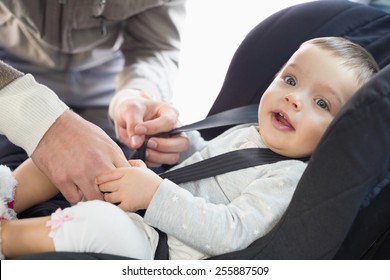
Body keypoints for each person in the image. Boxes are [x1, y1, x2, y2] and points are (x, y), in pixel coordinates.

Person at [0, 37, 379, 260]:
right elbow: (213, 162)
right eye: (291, 80)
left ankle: (7, 238)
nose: (295, 99)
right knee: (75, 150)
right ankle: (7, 196)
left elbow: (230, 230)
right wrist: (186, 148)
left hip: (160, 248)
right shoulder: (252, 130)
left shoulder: (288, 176)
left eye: (322, 104)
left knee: (99, 224)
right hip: (148, 203)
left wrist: (155, 193)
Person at [0, 0, 189, 203]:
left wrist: (135, 94)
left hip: (106, 92)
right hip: (11, 74)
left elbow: (154, 47)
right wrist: (40, 121)